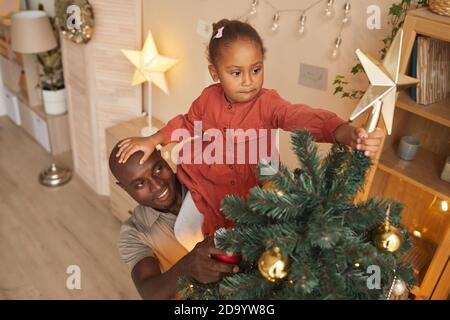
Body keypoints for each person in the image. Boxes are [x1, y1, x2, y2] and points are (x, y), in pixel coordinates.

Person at [115, 19, 385, 236]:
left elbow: (299, 116)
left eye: (256, 70)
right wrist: (155, 139)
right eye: (236, 73)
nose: (248, 81)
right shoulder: (208, 98)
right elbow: (186, 123)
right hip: (209, 182)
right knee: (191, 235)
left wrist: (340, 130)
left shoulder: (268, 103)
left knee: (249, 238)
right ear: (215, 73)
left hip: (252, 185)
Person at [109, 143, 238, 300]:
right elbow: (150, 293)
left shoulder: (204, 180)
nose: (158, 186)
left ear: (162, 156)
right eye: (140, 184)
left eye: (158, 169)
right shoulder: (135, 233)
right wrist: (187, 267)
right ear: (123, 187)